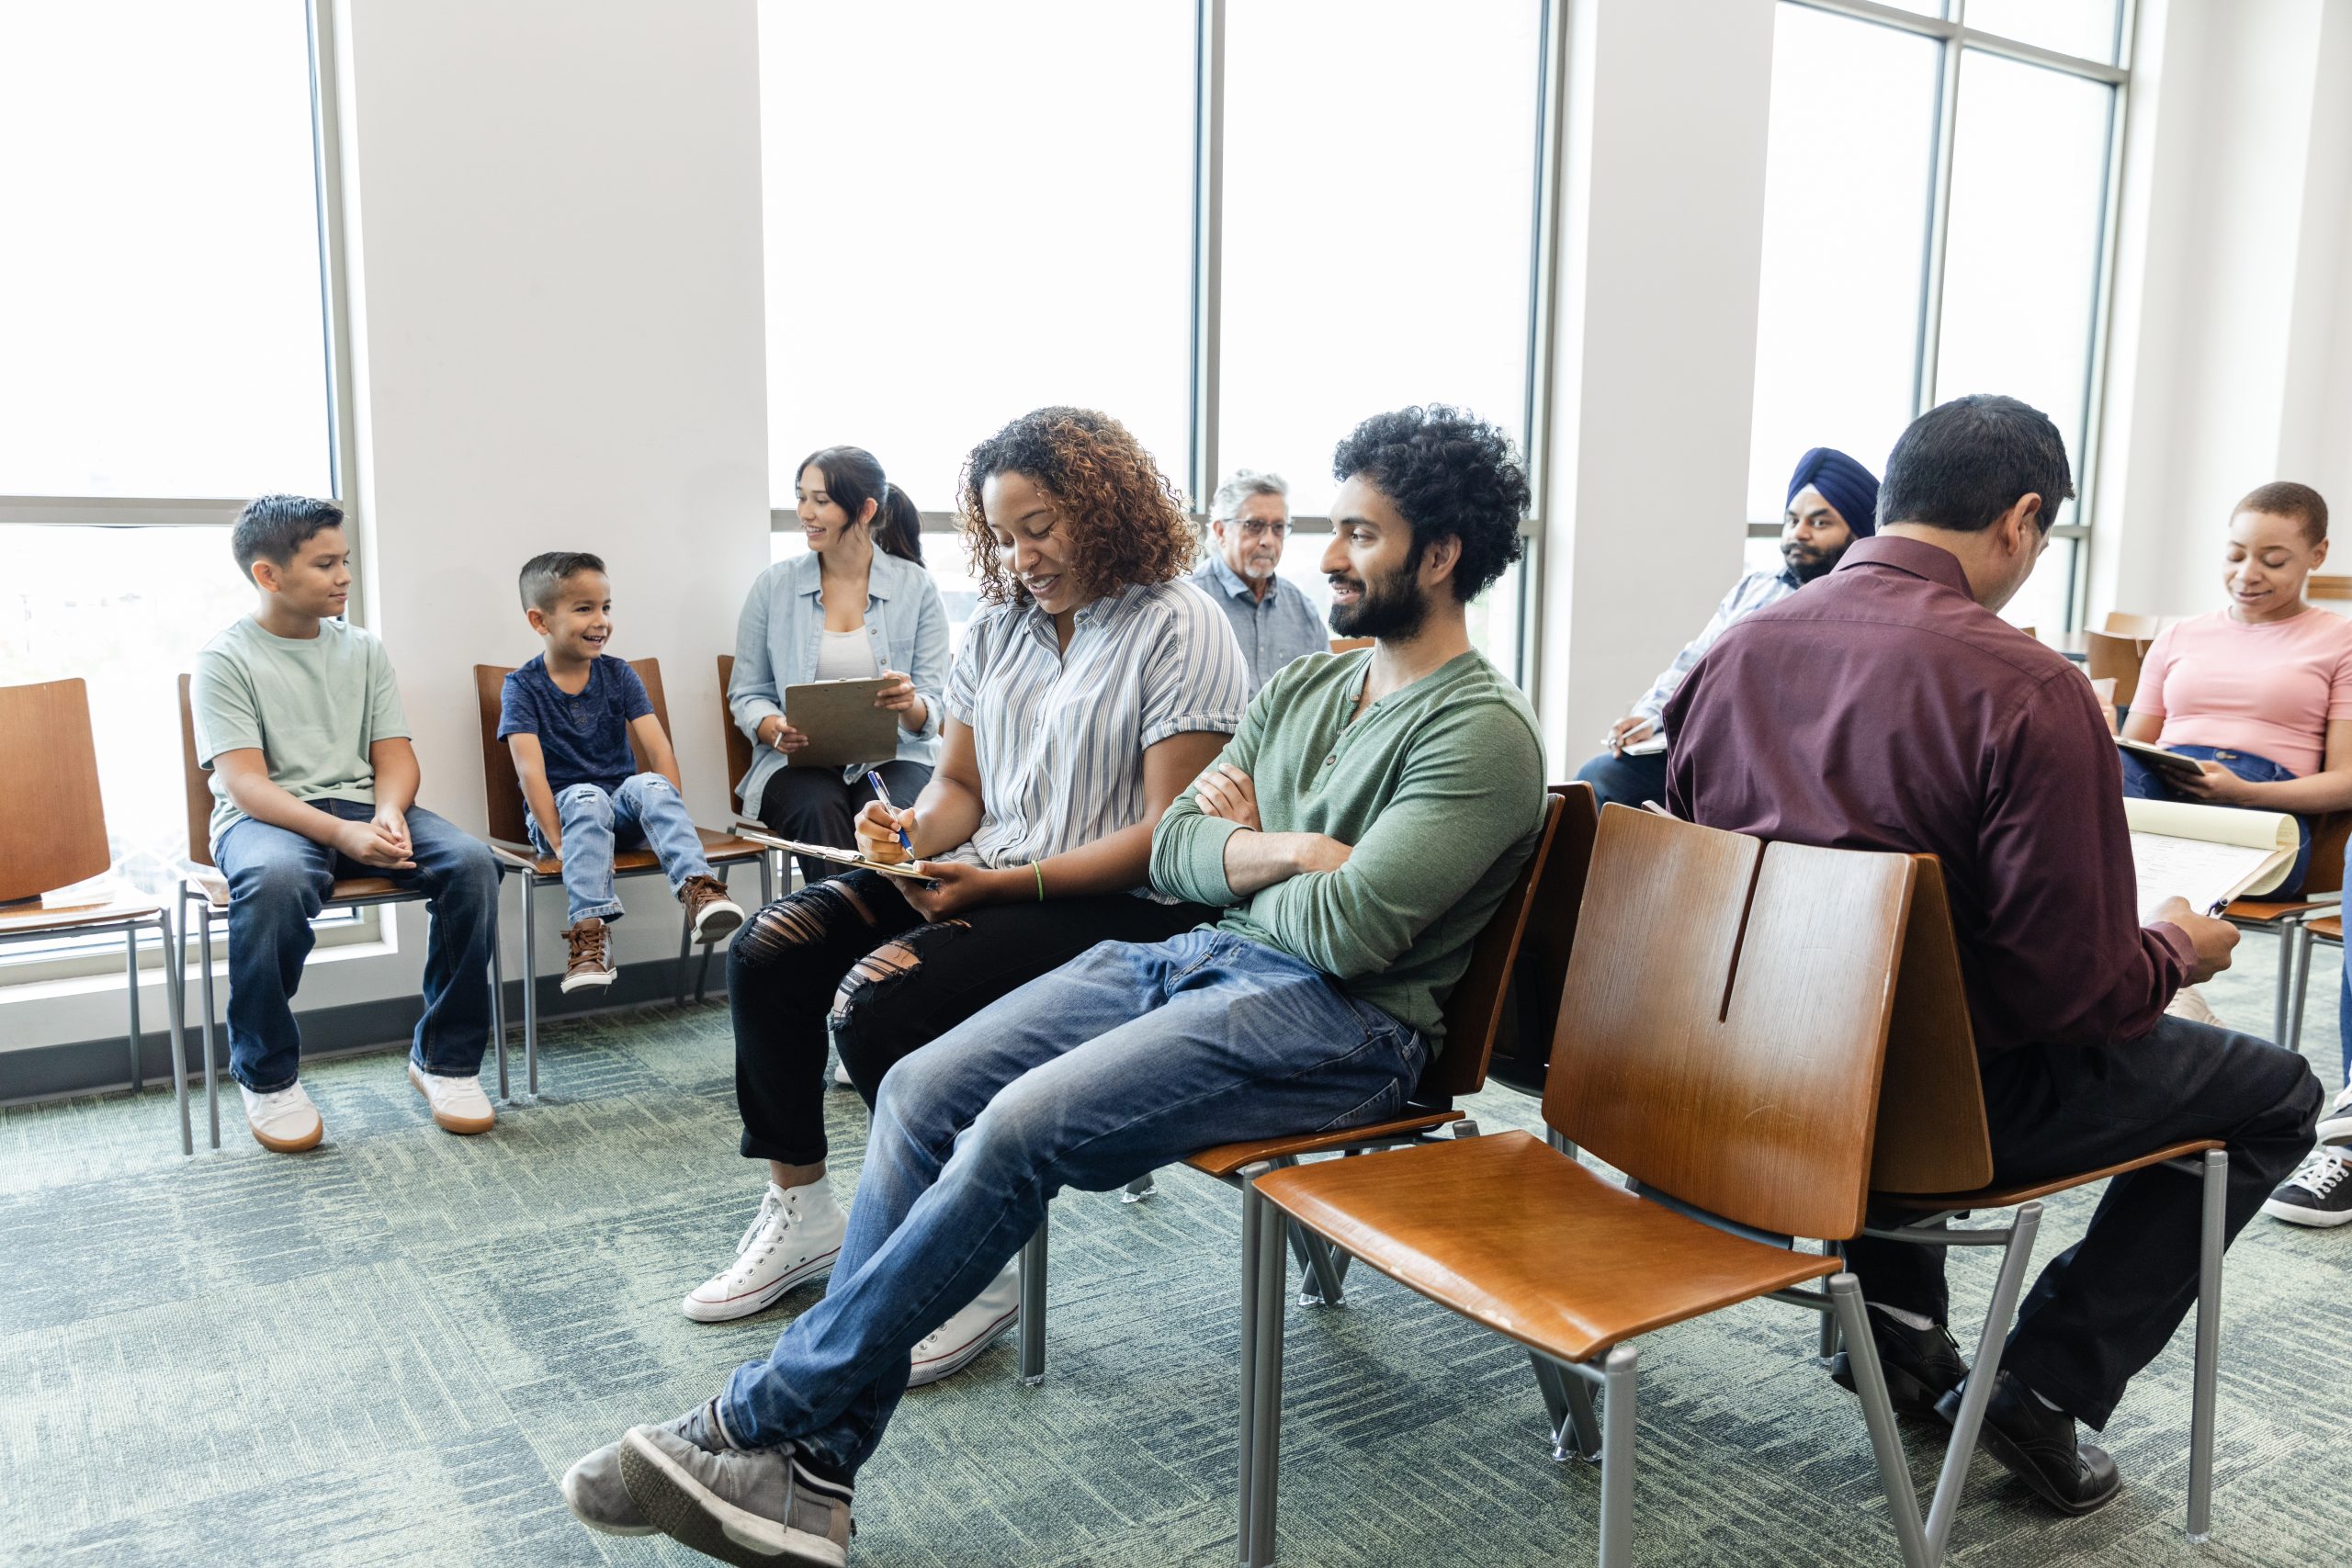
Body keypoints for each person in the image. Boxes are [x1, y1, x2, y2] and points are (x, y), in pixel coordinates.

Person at [560, 404, 1548, 1562]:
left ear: (1437, 557)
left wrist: (1240, 864)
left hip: (1344, 1030)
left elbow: (1348, 932)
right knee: (928, 1087)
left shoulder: (1483, 735)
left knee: (1017, 1126)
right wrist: (1277, 850)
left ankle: (758, 1423)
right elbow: (1179, 844)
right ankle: (814, 1481)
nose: (1327, 555)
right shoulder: (1306, 695)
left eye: (1362, 536)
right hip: (1202, 958)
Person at [1663, 395, 2321, 1517]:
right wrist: (2177, 948)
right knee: (2273, 1094)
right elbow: (2072, 993)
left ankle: (1904, 1326)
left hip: (1743, 1087)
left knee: (1926, 986)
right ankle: (2043, 1385)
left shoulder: (1735, 650)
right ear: (2021, 521)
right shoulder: (2029, 687)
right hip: (1934, 1119)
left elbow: (1704, 877)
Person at [682, 408, 1248, 1387]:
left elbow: (1170, 835)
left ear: (1106, 509)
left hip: (1126, 903)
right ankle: (805, 1214)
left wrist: (999, 880)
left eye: (1042, 526)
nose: (1022, 555)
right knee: (769, 950)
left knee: (879, 1002)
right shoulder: (998, 630)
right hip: (995, 867)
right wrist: (904, 837)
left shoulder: (1179, 622)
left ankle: (973, 1256)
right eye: (1003, 535)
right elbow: (959, 792)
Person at [190, 495, 503, 1153]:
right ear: (268, 575)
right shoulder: (225, 659)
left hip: (364, 805)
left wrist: (387, 813)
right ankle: (266, 1072)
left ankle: (444, 1060)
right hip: (264, 818)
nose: (344, 577)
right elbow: (246, 784)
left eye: (346, 561)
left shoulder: (361, 648)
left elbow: (395, 755)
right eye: (325, 564)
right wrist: (340, 835)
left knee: (473, 864)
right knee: (276, 881)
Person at [2115, 481, 2352, 1226]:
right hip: (2167, 787)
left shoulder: (2338, 640)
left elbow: (2346, 778)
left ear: (2317, 554)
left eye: (2275, 558)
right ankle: (2131, 1017)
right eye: (2236, 553)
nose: (2250, 572)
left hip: (2265, 812)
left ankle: (2167, 1012)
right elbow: (2133, 743)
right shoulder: (2182, 634)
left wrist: (2239, 793)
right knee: (2098, 763)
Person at [498, 551, 747, 993]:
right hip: (560, 818)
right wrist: (558, 842)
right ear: (540, 621)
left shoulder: (619, 675)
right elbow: (529, 771)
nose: (601, 620)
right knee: (585, 796)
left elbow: (658, 748)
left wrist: (663, 806)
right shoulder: (522, 686)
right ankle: (590, 935)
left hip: (621, 815)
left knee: (650, 782)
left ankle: (699, 890)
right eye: (584, 608)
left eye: (606, 607)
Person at [1574, 446, 1876, 808]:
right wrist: (1648, 716)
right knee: (1598, 780)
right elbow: (1694, 661)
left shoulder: (1863, 609)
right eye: (1792, 520)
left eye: (1820, 522)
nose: (1800, 533)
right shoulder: (1756, 588)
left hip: (1782, 769)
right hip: (1708, 751)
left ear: (1859, 535)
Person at [729, 446, 949, 887]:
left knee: (887, 820)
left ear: (865, 510)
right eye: (801, 496)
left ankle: (859, 944)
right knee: (819, 809)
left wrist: (909, 704)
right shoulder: (774, 586)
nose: (805, 513)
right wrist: (773, 726)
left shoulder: (918, 588)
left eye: (821, 500)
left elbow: (934, 707)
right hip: (796, 765)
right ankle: (847, 944)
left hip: (897, 756)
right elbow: (746, 692)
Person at [1191, 468, 1327, 693]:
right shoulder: (1191, 604)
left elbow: (1327, 695)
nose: (1269, 541)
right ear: (1221, 531)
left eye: (1278, 528)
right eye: (1254, 526)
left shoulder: (1302, 609)